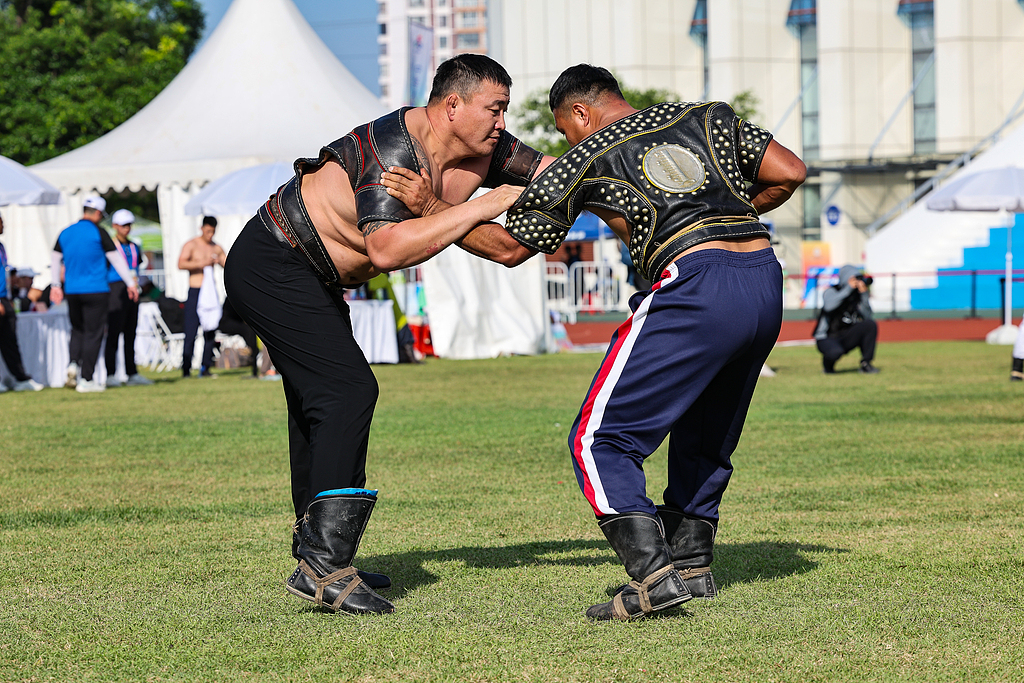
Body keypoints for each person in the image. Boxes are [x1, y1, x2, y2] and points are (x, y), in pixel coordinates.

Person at [224, 53, 553, 616]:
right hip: (272, 260)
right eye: (493, 110)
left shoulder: (489, 149)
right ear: (452, 106)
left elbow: (555, 171)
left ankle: (318, 555)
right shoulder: (392, 151)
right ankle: (325, 566)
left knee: (318, 406)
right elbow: (386, 248)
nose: (503, 123)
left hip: (315, 274)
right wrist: (486, 204)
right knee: (346, 391)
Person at [502, 64, 806, 620]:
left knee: (598, 440)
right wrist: (718, 217)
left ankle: (652, 578)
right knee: (706, 428)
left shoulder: (590, 154)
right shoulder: (705, 116)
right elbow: (791, 170)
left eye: (567, 131)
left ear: (579, 113)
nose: (570, 141)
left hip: (697, 283)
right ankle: (692, 563)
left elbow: (509, 247)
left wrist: (435, 213)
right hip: (763, 277)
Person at [51, 196, 139, 393]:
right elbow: (116, 259)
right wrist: (130, 283)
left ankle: (73, 364)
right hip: (96, 290)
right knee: (94, 333)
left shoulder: (66, 232)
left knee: (77, 330)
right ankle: (86, 379)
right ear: (98, 213)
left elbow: (55, 258)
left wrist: (56, 285)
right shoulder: (99, 232)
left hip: (72, 291)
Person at [104, 209, 153, 387]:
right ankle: (110, 373)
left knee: (130, 332)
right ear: (115, 226)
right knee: (114, 333)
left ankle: (131, 372)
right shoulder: (110, 246)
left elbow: (138, 264)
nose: (127, 228)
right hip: (115, 289)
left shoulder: (134, 246)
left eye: (129, 225)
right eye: (123, 225)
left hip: (133, 288)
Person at [0, 214, 45, 392]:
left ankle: (20, 377)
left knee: (10, 341)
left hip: (5, 297)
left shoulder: (2, 247)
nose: (4, 225)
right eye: (1, 222)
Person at [177, 216, 225, 377]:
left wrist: (218, 260)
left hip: (210, 293)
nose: (210, 235)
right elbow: (181, 263)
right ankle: (186, 368)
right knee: (190, 331)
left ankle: (206, 367)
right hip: (196, 290)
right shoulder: (192, 245)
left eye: (213, 232)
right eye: (208, 231)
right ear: (202, 228)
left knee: (210, 330)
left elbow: (227, 263)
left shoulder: (216, 247)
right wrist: (201, 264)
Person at [813, 264, 879, 374]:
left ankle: (866, 364)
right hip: (827, 337)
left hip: (846, 335)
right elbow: (829, 306)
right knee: (835, 352)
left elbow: (867, 316)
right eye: (853, 278)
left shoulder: (857, 295)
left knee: (870, 325)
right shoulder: (831, 291)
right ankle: (828, 366)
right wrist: (848, 288)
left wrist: (864, 295)